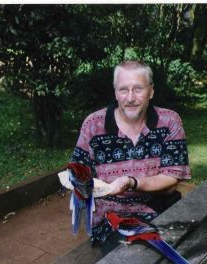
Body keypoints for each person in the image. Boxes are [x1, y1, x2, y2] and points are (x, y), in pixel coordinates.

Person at [70, 60, 191, 245]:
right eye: (123, 90)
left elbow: (172, 179)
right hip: (111, 219)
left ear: (151, 91)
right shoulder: (93, 125)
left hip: (159, 210)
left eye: (138, 89)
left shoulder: (169, 122)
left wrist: (131, 183)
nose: (130, 98)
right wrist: (82, 184)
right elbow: (77, 172)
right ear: (115, 92)